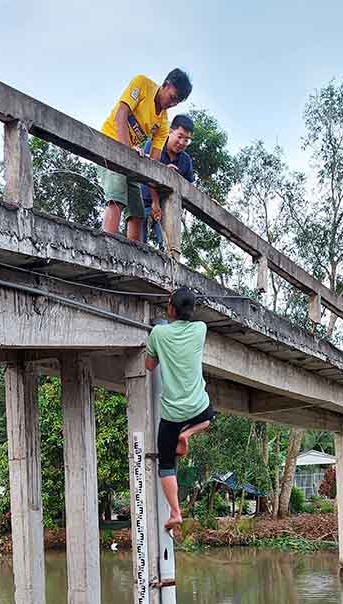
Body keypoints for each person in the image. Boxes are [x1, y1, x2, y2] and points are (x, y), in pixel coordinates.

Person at [145, 287, 213, 531]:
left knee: (166, 465)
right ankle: (187, 434)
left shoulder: (158, 333)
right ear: (191, 310)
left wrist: (159, 343)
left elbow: (149, 365)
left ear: (170, 308)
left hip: (172, 414)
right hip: (198, 408)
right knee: (209, 418)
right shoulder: (200, 329)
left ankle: (175, 512)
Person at [98, 68, 193, 242]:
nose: (171, 104)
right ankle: (106, 247)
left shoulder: (164, 123)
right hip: (110, 145)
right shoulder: (142, 84)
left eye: (176, 102)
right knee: (117, 199)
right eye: (172, 98)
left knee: (137, 213)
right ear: (165, 85)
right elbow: (121, 114)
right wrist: (127, 148)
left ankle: (134, 260)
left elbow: (153, 162)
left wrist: (163, 171)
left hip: (132, 160)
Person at [140, 113, 196, 247]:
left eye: (187, 140)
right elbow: (150, 172)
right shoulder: (153, 145)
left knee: (169, 247)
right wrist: (164, 172)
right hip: (144, 202)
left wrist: (176, 179)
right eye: (180, 136)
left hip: (168, 209)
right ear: (171, 131)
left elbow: (189, 188)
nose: (182, 142)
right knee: (139, 244)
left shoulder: (185, 160)